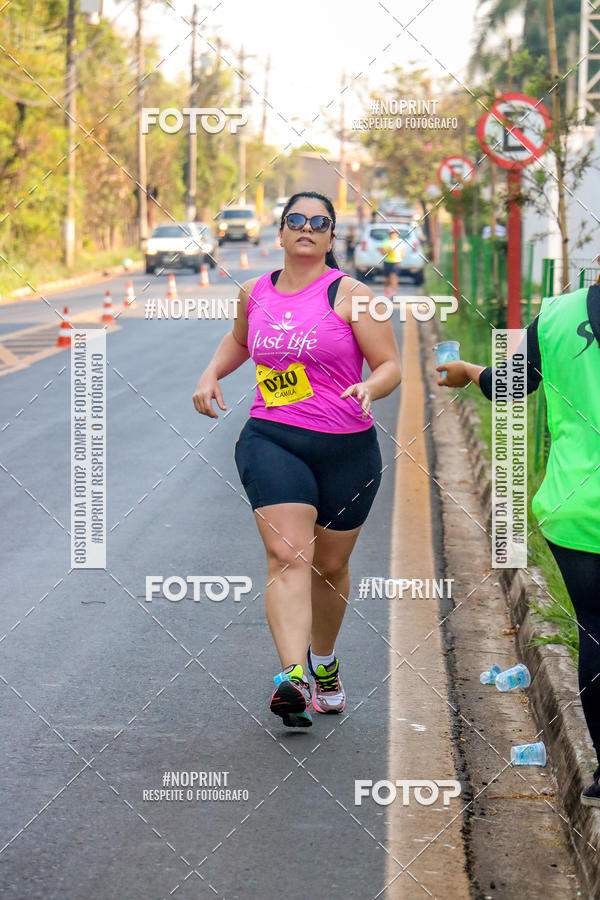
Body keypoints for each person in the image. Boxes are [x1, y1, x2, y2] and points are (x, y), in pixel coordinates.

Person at [193, 191, 402, 728]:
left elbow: (389, 364)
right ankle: (290, 677)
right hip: (273, 437)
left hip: (347, 448)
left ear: (332, 238)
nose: (307, 228)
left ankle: (324, 664)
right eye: (296, 221)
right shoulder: (254, 292)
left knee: (330, 567)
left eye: (320, 222)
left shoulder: (353, 295)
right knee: (289, 557)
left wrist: (369, 387)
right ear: (281, 233)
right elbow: (239, 341)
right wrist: (212, 372)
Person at [436, 282, 600, 807]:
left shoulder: (557, 315)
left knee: (594, 633)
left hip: (575, 509)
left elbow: (507, 384)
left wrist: (467, 372)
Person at [380, 228, 404, 297]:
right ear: (389, 234)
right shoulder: (386, 241)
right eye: (392, 233)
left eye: (395, 233)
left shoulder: (400, 241)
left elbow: (403, 251)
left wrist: (401, 256)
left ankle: (394, 293)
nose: (393, 234)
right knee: (387, 279)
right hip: (387, 262)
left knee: (394, 277)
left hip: (396, 262)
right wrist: (389, 251)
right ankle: (386, 290)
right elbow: (382, 251)